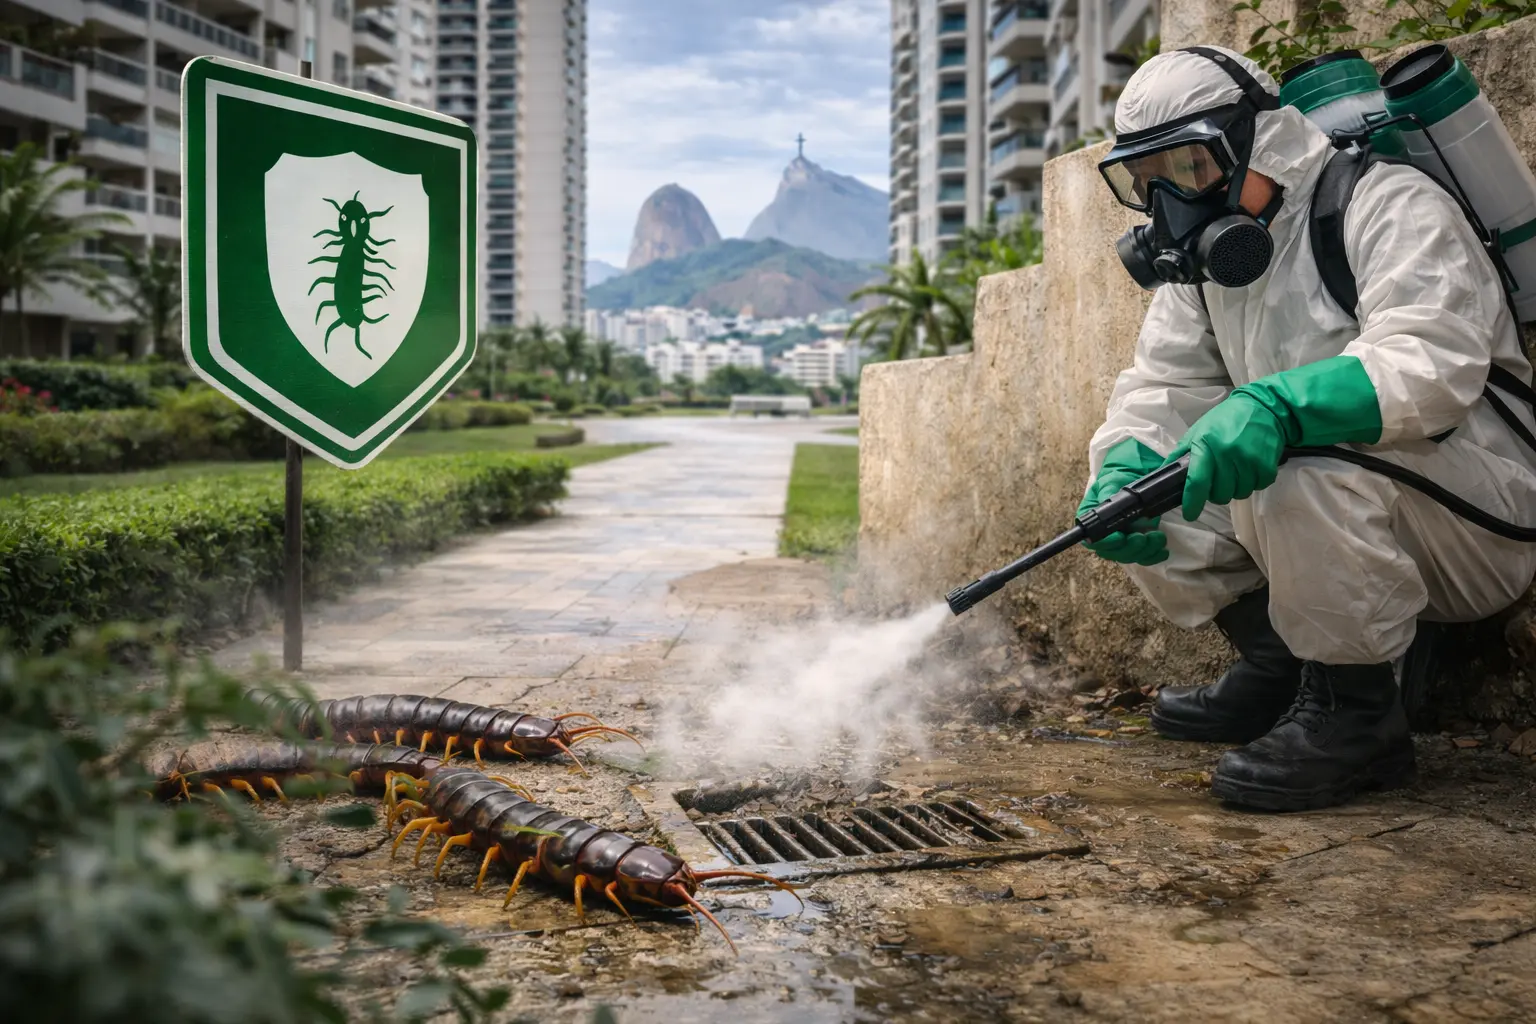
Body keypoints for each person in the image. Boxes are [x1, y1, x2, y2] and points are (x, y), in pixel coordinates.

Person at [1081, 46, 1536, 811]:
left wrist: (1281, 405)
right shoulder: (1205, 266)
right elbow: (1164, 388)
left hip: (1483, 514)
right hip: (1355, 502)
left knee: (1291, 454)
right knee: (1145, 492)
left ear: (1258, 141)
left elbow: (1432, 358)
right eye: (1147, 181)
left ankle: (1357, 718)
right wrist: (1123, 463)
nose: (1171, 203)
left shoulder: (1385, 202)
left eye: (1189, 169)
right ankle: (1284, 671)